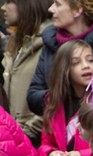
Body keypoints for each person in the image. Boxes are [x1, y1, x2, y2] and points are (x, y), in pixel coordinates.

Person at [27, 0, 93, 117]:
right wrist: (58, 97)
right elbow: (33, 95)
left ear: (77, 10)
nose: (50, 9)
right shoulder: (51, 44)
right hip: (62, 130)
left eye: (58, 4)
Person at [1, 0, 51, 146]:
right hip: (14, 143)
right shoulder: (17, 41)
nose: (3, 8)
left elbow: (55, 99)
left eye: (10, 2)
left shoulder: (49, 44)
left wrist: (23, 132)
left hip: (35, 145)